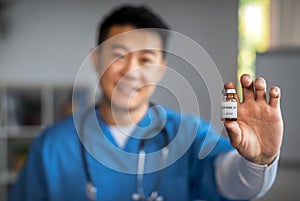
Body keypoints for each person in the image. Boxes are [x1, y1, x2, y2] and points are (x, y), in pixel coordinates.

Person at [8, 5, 283, 201]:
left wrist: (257, 162)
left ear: (161, 68)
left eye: (145, 59)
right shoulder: (54, 145)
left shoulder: (187, 134)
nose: (131, 71)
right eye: (119, 56)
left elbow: (229, 180)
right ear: (96, 60)